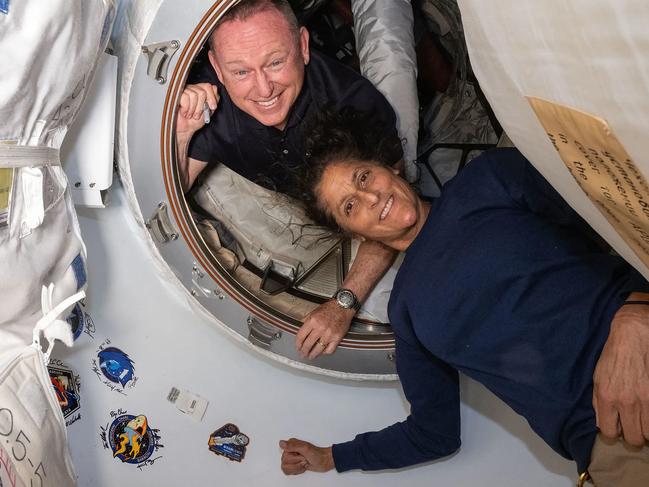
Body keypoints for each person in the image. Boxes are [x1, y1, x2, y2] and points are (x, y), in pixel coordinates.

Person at [278, 109, 649, 486]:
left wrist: (637, 311)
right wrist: (331, 457)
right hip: (612, 443)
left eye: (363, 177)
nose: (371, 197)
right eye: (350, 206)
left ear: (389, 167)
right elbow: (433, 433)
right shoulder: (405, 311)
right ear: (353, 234)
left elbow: (623, 217)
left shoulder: (487, 179)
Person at [175, 0, 400, 359]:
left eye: (275, 62)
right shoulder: (208, 101)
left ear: (304, 46)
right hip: (284, 195)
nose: (263, 89)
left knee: (394, 303)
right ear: (216, 67)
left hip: (356, 200)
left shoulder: (354, 106)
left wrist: (344, 303)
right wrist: (184, 131)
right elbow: (174, 191)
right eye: (240, 72)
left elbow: (394, 212)